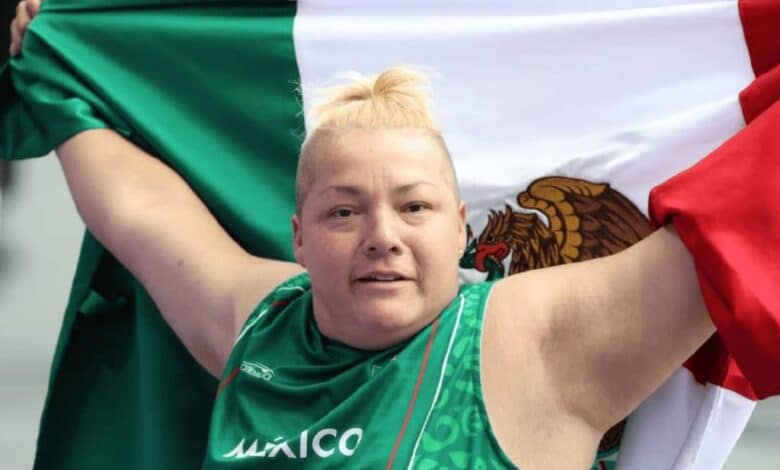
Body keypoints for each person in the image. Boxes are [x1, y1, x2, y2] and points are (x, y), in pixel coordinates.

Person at [50, 64, 719, 469]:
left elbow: (731, 235)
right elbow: (140, 209)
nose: (382, 238)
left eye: (414, 207)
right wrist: (55, 62)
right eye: (344, 212)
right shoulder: (262, 324)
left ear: (460, 229)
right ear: (300, 238)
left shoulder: (536, 342)